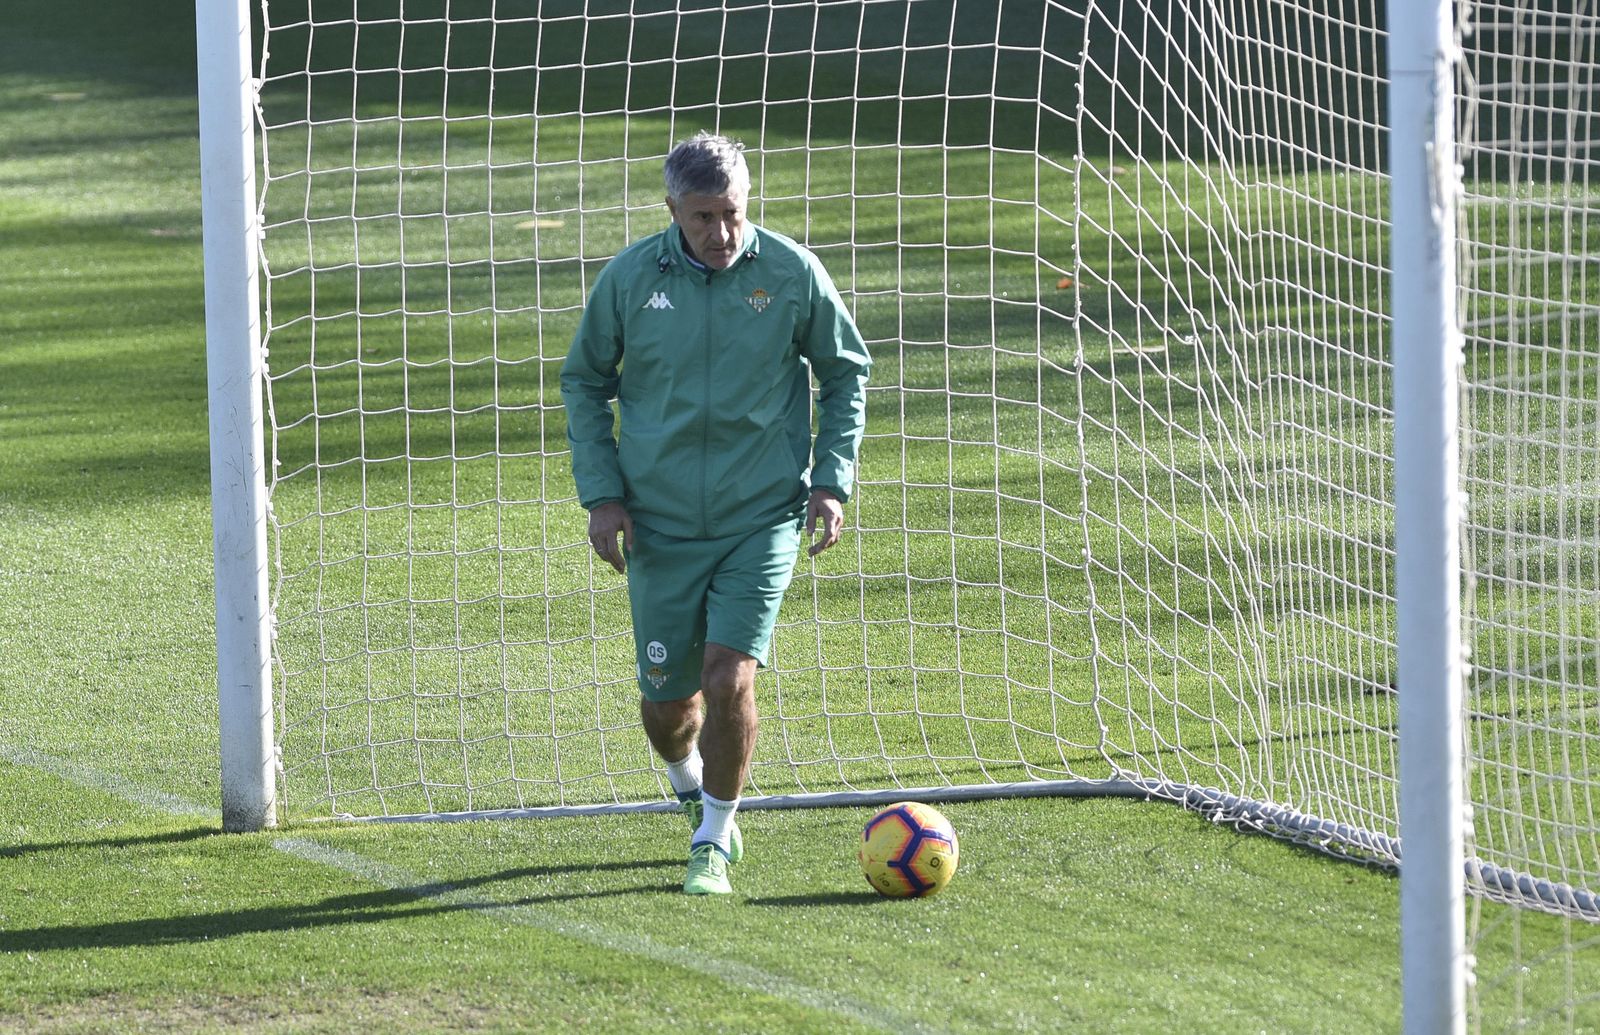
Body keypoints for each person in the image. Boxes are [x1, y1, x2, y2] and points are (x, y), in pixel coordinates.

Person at [560, 132, 871, 895]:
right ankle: (684, 770)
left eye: (732, 213)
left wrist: (830, 482)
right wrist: (602, 494)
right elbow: (584, 382)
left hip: (760, 514)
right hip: (658, 522)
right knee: (670, 704)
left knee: (729, 674)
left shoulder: (792, 273)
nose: (722, 233)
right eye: (703, 217)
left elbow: (845, 372)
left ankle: (714, 835)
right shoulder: (631, 280)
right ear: (672, 210)